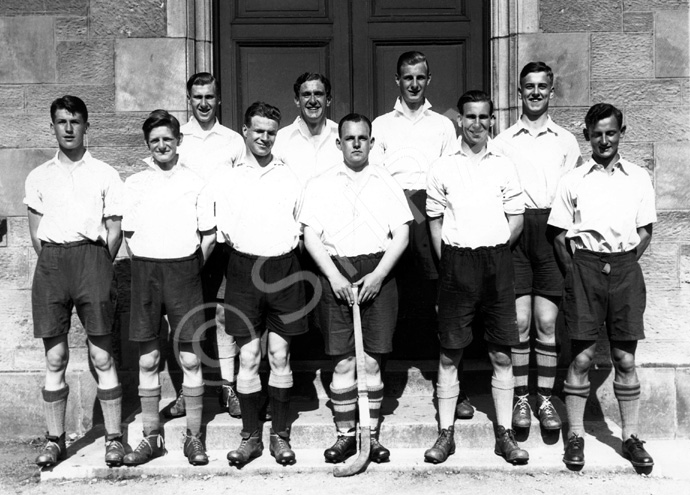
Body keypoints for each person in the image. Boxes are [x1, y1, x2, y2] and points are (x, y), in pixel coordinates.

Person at [548, 103, 656, 471]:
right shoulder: (573, 180)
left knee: (625, 358)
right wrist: (580, 268)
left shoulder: (639, 176)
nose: (605, 140)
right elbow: (560, 235)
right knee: (581, 357)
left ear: (621, 132)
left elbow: (645, 232)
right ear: (587, 137)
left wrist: (622, 263)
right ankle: (575, 435)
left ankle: (630, 437)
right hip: (585, 267)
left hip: (625, 268)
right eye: (597, 134)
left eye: (611, 133)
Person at [300, 113, 412, 464]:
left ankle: (371, 436)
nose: (357, 144)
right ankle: (346, 435)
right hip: (336, 271)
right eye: (350, 139)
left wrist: (378, 276)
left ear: (372, 142)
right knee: (344, 360)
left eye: (363, 138)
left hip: (377, 271)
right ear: (339, 143)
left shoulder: (385, 181)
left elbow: (403, 233)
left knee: (372, 360)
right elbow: (310, 236)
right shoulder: (320, 182)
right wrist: (333, 277)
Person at [424, 90, 528, 465]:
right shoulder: (442, 166)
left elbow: (516, 219)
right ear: (460, 120)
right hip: (456, 264)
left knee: (502, 351)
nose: (477, 124)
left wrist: (493, 247)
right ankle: (446, 434)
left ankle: (505, 435)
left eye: (484, 117)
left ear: (492, 120)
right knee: (450, 353)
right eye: (470, 117)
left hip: (496, 264)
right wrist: (449, 261)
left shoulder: (504, 164)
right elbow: (434, 221)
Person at [370, 51, 473, 419]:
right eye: (407, 77)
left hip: (431, 213)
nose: (413, 83)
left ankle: (452, 387)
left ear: (428, 80)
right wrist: (400, 213)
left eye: (420, 77)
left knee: (440, 300)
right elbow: (376, 177)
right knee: (383, 296)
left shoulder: (443, 126)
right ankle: (373, 384)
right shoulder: (380, 125)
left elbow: (449, 172)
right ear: (397, 80)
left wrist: (431, 213)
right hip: (392, 213)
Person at [25, 95, 125, 468]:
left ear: (86, 126)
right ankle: (55, 440)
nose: (68, 128)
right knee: (56, 356)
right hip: (53, 263)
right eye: (62, 121)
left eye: (75, 121)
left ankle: (113, 438)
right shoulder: (39, 175)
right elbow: (36, 234)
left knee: (101, 353)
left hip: (91, 259)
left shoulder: (104, 173)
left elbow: (114, 230)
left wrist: (96, 262)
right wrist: (57, 261)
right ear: (52, 126)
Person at [211, 102, 307, 466]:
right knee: (248, 355)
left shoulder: (290, 176)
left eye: (271, 132)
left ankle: (280, 436)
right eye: (258, 131)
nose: (264, 138)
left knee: (280, 355)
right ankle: (250, 436)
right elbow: (222, 228)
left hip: (283, 268)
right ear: (245, 132)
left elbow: (300, 224)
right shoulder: (229, 177)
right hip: (243, 268)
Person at [121, 110, 216, 466]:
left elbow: (207, 237)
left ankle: (194, 437)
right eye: (155, 140)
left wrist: (188, 267)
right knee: (148, 358)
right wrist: (150, 261)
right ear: (148, 144)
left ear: (178, 142)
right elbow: (129, 236)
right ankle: (151, 437)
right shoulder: (135, 184)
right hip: (146, 271)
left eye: (167, 139)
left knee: (190, 357)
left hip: (184, 271)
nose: (162, 145)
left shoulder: (195, 182)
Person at [493, 62, 582, 431]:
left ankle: (545, 400)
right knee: (521, 322)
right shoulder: (502, 142)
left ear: (551, 92)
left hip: (551, 230)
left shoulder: (566, 141)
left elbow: (576, 195)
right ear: (518, 92)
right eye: (528, 86)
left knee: (547, 322)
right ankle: (520, 401)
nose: (535, 93)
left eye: (542, 87)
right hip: (516, 228)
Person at [167, 72, 245, 420]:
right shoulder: (177, 138)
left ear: (218, 99)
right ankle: (189, 390)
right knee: (186, 318)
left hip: (224, 240)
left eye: (209, 97)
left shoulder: (232, 141)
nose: (203, 103)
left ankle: (229, 387)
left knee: (223, 314)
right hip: (185, 241)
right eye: (197, 97)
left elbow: (242, 187)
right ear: (189, 98)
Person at [273, 72, 342, 185]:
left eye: (318, 94)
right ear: (297, 100)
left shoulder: (342, 135)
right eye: (306, 95)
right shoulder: (281, 139)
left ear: (328, 100)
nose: (313, 101)